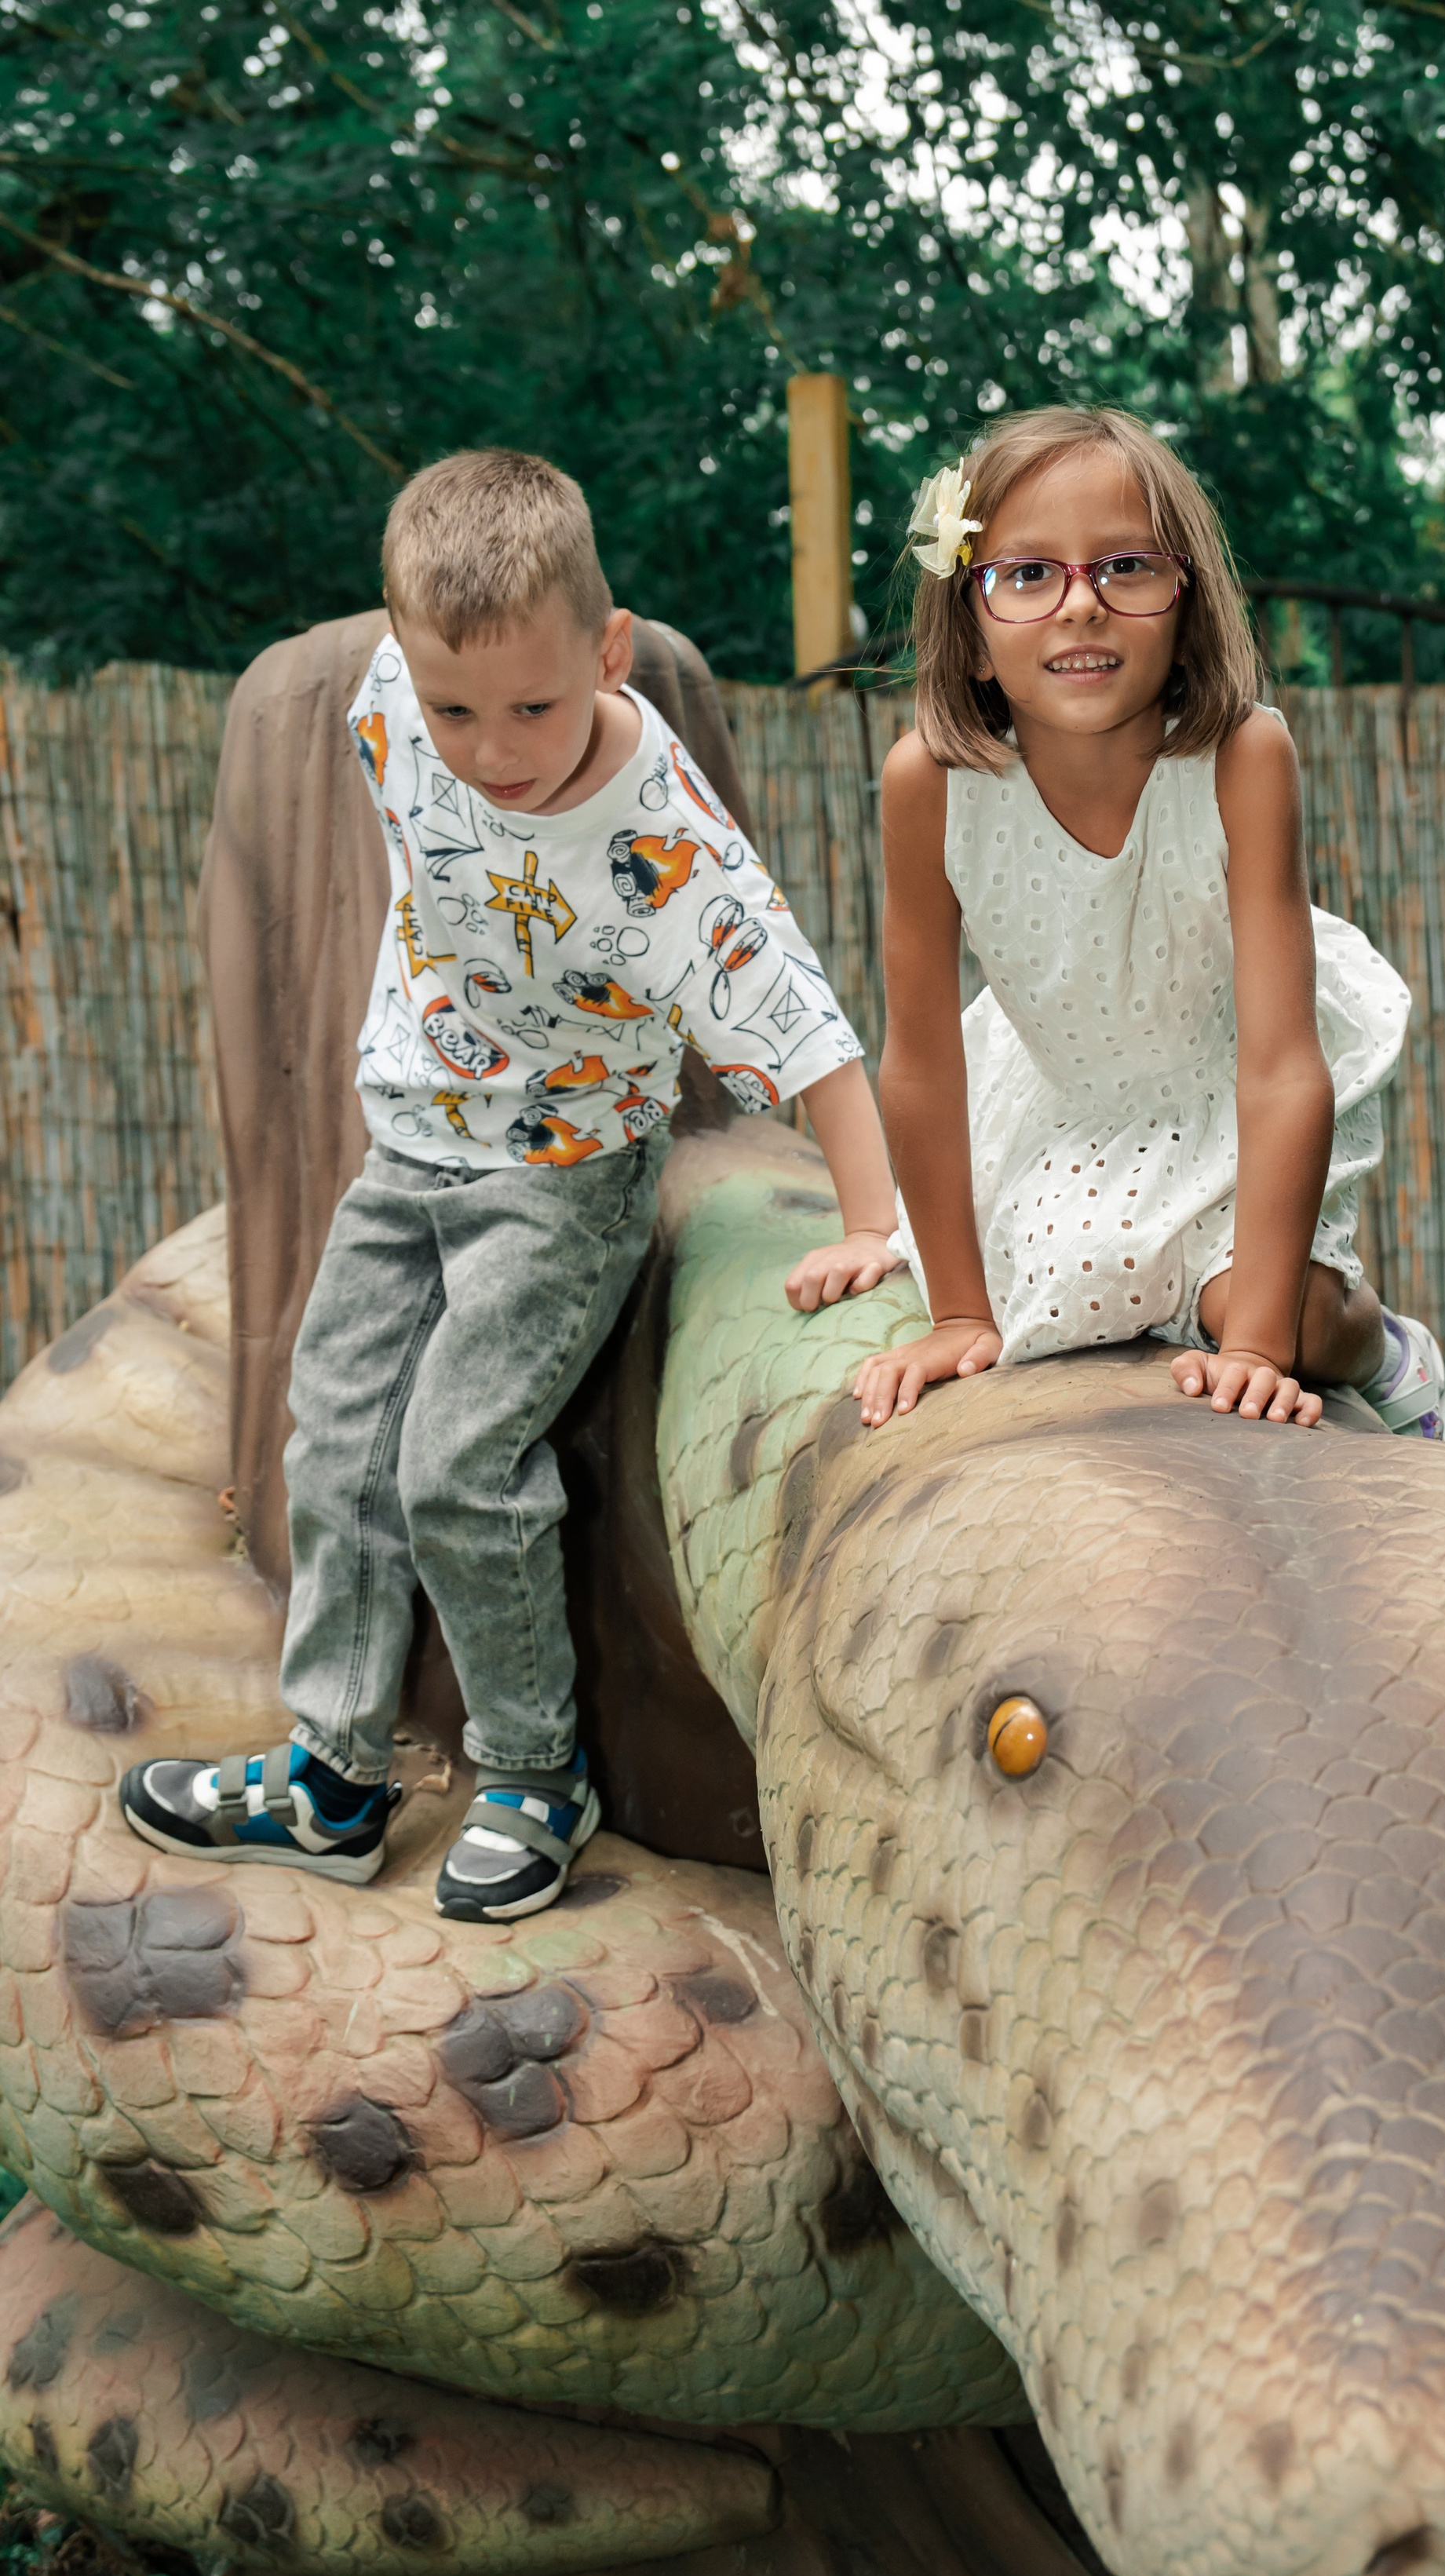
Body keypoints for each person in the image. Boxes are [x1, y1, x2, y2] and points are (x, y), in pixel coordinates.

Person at [122, 449, 899, 1918]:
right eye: (455, 707)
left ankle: (535, 1773)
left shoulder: (660, 847)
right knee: (337, 1436)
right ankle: (334, 1775)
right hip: (409, 1139)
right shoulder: (388, 709)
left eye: (534, 706)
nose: (489, 747)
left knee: (457, 1463)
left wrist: (871, 1219)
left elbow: (798, 1018)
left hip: (560, 1176)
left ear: (611, 656)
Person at [851, 405, 1445, 1441]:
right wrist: (955, 1311)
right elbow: (920, 1064)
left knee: (1280, 1314)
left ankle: (1390, 1354)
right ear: (974, 632)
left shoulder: (1242, 759)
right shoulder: (930, 787)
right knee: (1060, 1293)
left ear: (1185, 605)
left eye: (1125, 567)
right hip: (1065, 1091)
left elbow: (1280, 1064)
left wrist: (1258, 1349)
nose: (1081, 606)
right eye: (1029, 574)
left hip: (1234, 1075)